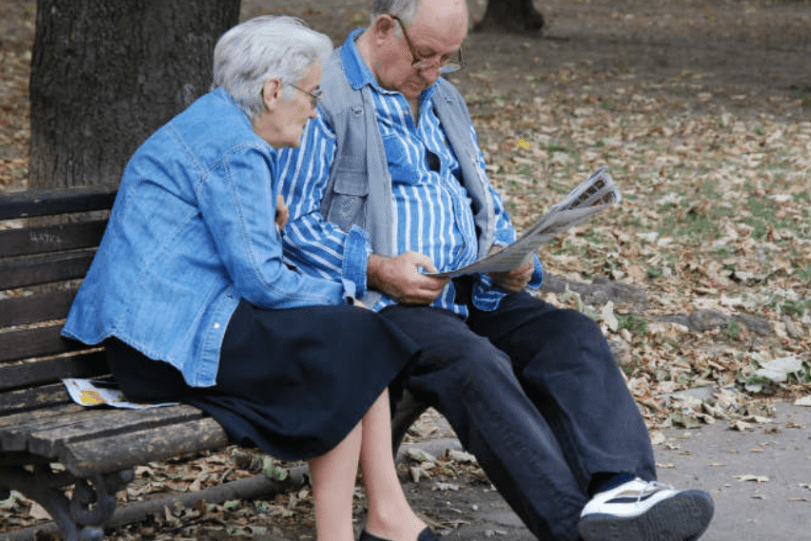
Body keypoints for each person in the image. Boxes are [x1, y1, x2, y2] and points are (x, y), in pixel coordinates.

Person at [274, 2, 715, 541]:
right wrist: (376, 267)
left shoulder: (444, 100)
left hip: (470, 291)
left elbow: (482, 200)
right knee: (474, 365)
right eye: (424, 56)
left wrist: (515, 256)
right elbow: (290, 227)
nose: (433, 72)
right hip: (385, 306)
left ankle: (624, 491)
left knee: (569, 336)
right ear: (384, 28)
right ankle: (570, 529)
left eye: (448, 58)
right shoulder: (326, 96)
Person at [61, 16, 439, 541]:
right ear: (272, 90)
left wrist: (267, 215)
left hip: (167, 329)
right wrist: (341, 294)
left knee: (353, 337)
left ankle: (385, 517)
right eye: (310, 94)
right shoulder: (237, 149)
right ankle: (354, 530)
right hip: (162, 348)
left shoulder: (221, 125)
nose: (314, 108)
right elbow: (263, 281)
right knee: (350, 333)